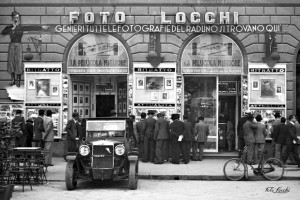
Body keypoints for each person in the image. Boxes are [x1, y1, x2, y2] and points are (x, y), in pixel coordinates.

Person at [1, 11, 24, 87]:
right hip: (12, 45)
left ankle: (18, 81)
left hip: (18, 45)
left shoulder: (21, 27)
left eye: (17, 17)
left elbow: (18, 36)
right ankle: (13, 80)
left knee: (18, 62)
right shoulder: (10, 27)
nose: (16, 19)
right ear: (12, 18)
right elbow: (3, 32)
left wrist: (15, 28)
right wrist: (13, 28)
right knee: (11, 62)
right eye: (15, 17)